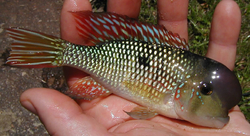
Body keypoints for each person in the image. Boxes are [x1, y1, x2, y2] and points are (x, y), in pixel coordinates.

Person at [20, 0, 250, 135]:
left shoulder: (178, 100)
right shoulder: (172, 98)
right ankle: (56, 51)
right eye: (206, 91)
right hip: (106, 59)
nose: (217, 107)